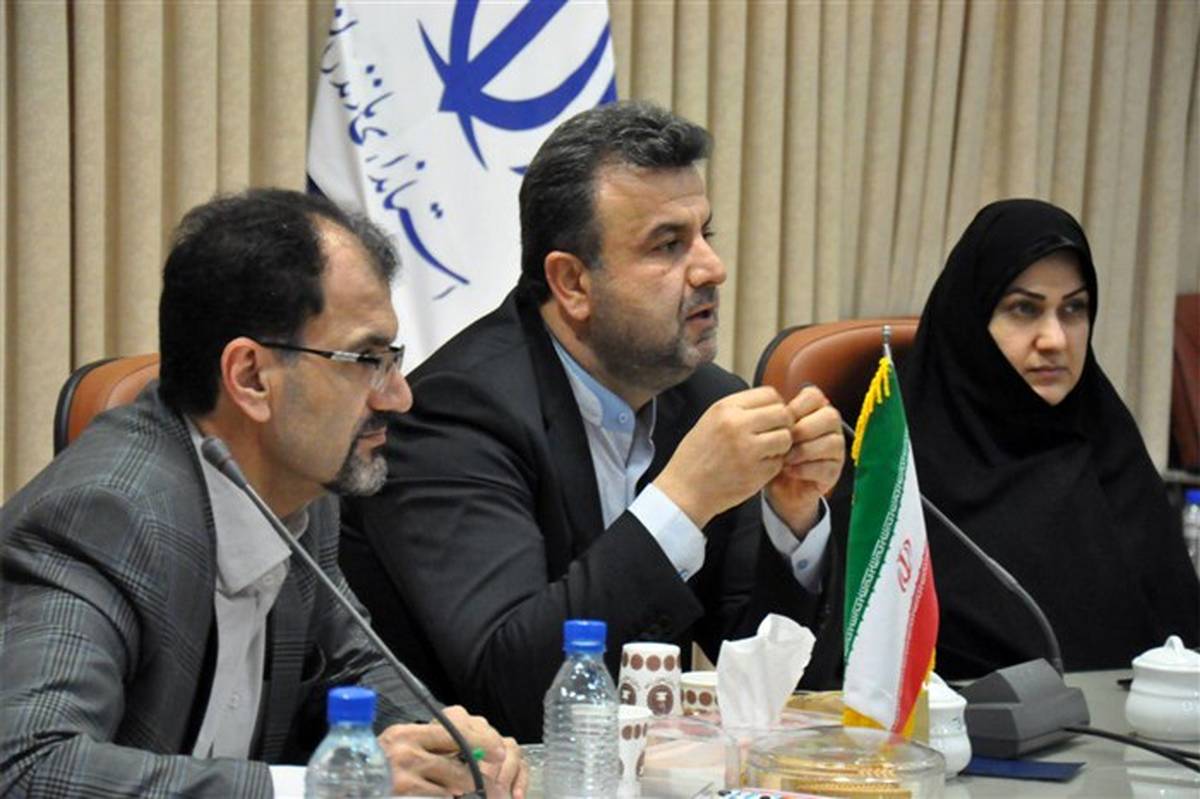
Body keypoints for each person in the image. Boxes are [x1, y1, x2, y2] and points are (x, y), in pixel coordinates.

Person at [340, 101, 847, 742]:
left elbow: (788, 696)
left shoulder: (703, 399)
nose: (711, 268)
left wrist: (792, 524)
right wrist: (682, 501)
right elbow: (518, 693)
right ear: (573, 283)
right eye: (668, 245)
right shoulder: (455, 414)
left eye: (705, 235)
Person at [0, 189, 525, 797]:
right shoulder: (105, 516)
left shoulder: (301, 488)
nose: (398, 397)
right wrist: (326, 788)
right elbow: (30, 766)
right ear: (250, 377)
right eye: (366, 359)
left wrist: (445, 748)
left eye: (393, 359)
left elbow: (352, 665)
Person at [900, 198, 1200, 677]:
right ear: (970, 320)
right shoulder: (904, 465)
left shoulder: (1109, 445)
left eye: (1074, 309)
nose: (1055, 340)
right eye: (1025, 309)